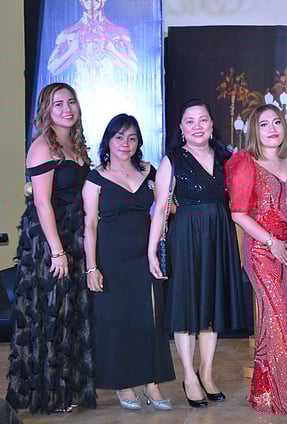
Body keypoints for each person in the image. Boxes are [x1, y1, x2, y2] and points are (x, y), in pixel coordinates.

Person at [148, 98, 244, 408]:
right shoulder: (173, 160)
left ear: (212, 124)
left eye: (202, 120)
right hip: (186, 239)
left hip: (219, 236)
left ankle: (207, 373)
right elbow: (161, 208)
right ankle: (189, 376)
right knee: (186, 309)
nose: (197, 126)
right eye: (190, 121)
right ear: (181, 127)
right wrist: (152, 251)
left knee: (210, 309)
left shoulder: (227, 158)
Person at [6, 82, 96, 413]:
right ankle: (48, 394)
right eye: (58, 104)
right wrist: (57, 251)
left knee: (69, 312)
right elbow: (42, 203)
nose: (66, 109)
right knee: (50, 313)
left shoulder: (76, 144)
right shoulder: (42, 146)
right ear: (46, 109)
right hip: (48, 240)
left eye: (71, 102)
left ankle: (67, 390)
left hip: (73, 235)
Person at [82, 114, 175, 410]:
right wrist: (92, 267)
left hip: (145, 257)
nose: (125, 143)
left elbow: (166, 207)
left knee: (149, 321)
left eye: (132, 138)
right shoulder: (95, 178)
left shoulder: (149, 172)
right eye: (119, 137)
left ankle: (152, 382)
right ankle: (124, 384)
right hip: (110, 260)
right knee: (117, 322)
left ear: (139, 143)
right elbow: (90, 225)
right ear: (108, 141)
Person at [226, 104, 287, 417]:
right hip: (261, 249)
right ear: (254, 130)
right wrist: (270, 241)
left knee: (275, 319)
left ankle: (262, 394)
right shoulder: (246, 164)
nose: (272, 129)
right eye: (264, 124)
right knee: (277, 319)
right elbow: (238, 214)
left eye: (277, 122)